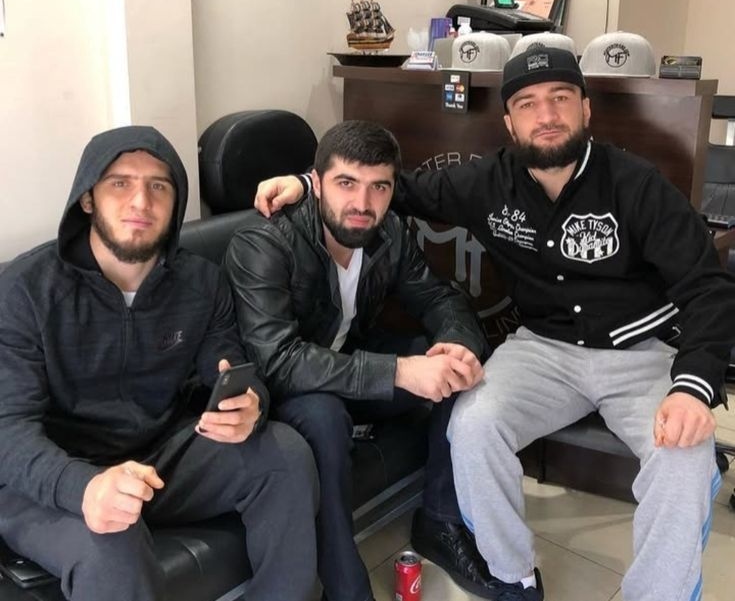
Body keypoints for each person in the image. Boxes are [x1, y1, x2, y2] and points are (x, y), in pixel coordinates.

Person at [253, 48, 735, 601]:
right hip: (544, 349)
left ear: (585, 110)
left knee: (684, 457)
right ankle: (512, 575)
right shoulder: (488, 181)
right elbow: (391, 188)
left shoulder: (637, 185)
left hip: (639, 352)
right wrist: (306, 181)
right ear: (509, 122)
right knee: (472, 423)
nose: (545, 115)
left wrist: (693, 388)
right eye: (527, 104)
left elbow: (708, 287)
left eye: (560, 99)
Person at [0, 126, 318, 601]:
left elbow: (229, 369)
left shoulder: (201, 283)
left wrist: (249, 405)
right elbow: (8, 430)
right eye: (120, 183)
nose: (141, 202)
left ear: (176, 203)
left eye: (158, 186)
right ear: (87, 198)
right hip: (55, 477)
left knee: (284, 454)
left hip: (156, 459)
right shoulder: (26, 290)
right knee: (111, 542)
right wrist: (83, 487)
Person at [226, 120, 494, 601]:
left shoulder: (388, 232)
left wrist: (456, 344)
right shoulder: (264, 242)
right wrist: (399, 372)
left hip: (348, 367)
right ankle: (345, 585)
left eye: (379, 187)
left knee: (453, 369)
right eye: (346, 183)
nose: (362, 203)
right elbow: (277, 361)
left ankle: (440, 520)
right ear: (316, 182)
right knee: (324, 414)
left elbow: (438, 297)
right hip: (282, 392)